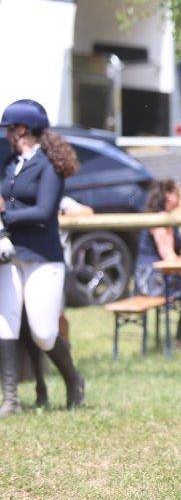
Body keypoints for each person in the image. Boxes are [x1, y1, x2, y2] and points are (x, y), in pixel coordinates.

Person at [0, 99, 85, 413]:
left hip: (41, 256)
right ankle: (11, 399)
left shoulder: (48, 166)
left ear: (23, 129)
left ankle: (73, 380)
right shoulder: (11, 164)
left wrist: (6, 218)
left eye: (10, 128)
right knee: (6, 323)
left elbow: (44, 211)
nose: (7, 134)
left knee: (44, 333)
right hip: (9, 253)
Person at [134, 179, 181, 299]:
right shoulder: (161, 219)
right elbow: (168, 254)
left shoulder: (162, 216)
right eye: (177, 193)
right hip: (152, 278)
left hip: (153, 276)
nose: (180, 197)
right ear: (168, 195)